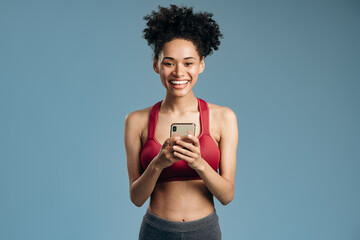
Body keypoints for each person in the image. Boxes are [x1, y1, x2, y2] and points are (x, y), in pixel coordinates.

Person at [124, 5, 238, 240]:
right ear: (156, 65)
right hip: (156, 230)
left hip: (204, 231)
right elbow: (136, 198)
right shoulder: (136, 121)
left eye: (188, 63)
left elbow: (227, 195)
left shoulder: (224, 117)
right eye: (169, 63)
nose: (179, 72)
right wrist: (158, 163)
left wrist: (199, 163)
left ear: (201, 65)